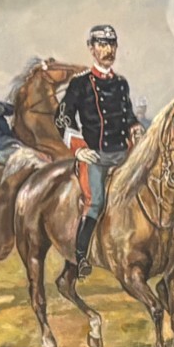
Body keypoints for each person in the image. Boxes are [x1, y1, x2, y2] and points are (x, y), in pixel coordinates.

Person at [57, 25, 137, 279]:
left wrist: (135, 127)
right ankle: (81, 255)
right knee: (97, 202)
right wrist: (78, 149)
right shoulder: (80, 84)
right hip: (95, 155)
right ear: (91, 49)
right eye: (102, 45)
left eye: (111, 44)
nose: (108, 50)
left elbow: (128, 116)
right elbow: (62, 117)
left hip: (123, 154)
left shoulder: (121, 84)